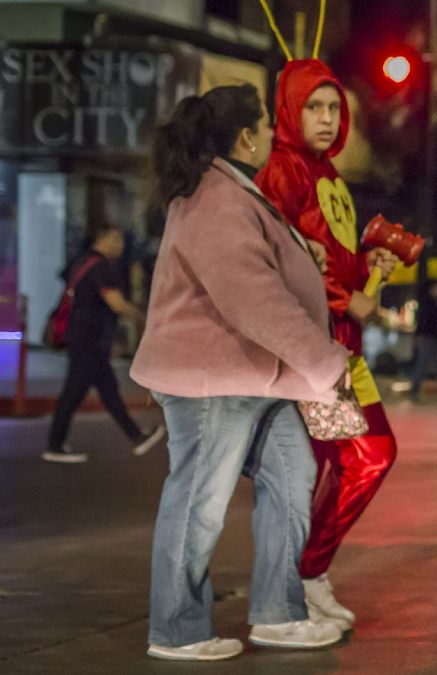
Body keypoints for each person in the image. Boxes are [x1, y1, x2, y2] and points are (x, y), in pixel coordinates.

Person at [132, 84, 348, 661]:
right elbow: (254, 299)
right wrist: (324, 363)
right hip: (214, 380)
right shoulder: (217, 199)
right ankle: (176, 631)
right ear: (246, 136)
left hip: (256, 378)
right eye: (267, 125)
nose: (276, 134)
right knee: (199, 501)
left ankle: (279, 615)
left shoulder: (230, 192)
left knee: (293, 479)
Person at [256, 58, 399, 631]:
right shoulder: (282, 170)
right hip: (315, 346)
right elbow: (274, 255)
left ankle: (308, 574)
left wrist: (367, 265)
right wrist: (344, 299)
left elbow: (329, 255)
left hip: (343, 346)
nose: (326, 118)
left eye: (334, 108)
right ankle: (300, 581)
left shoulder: (328, 175)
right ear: (288, 110)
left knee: (368, 454)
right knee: (339, 463)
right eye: (313, 106)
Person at [43, 225, 164, 464]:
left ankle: (136, 436)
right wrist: (146, 318)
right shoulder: (100, 267)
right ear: (102, 239)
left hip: (86, 339)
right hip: (89, 340)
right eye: (116, 240)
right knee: (74, 393)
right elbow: (116, 303)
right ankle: (55, 445)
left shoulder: (83, 262)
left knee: (108, 391)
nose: (120, 246)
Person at [410, 280, 437, 401]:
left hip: (430, 337)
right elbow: (428, 322)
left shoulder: (429, 302)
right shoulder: (429, 303)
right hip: (428, 337)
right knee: (425, 363)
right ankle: (415, 389)